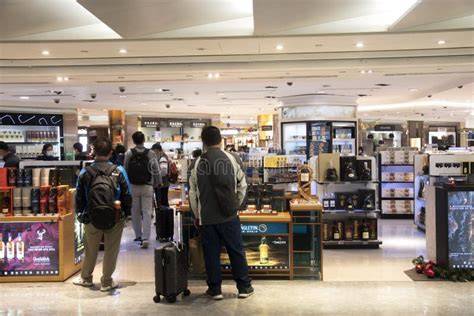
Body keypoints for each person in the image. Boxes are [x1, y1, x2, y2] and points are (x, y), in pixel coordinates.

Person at [189, 126, 253, 300]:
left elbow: (193, 193)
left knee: (211, 254)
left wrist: (197, 214)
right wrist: (236, 206)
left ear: (203, 142)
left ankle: (215, 289)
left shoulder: (196, 163)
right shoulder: (232, 158)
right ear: (221, 140)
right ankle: (244, 287)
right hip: (229, 216)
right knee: (236, 251)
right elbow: (243, 185)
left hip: (207, 218)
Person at [73, 137, 132, 291]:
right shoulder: (119, 171)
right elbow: (127, 195)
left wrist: (81, 213)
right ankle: (106, 281)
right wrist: (126, 214)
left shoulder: (85, 172)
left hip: (92, 216)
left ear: (94, 152)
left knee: (91, 248)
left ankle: (86, 278)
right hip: (115, 215)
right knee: (111, 249)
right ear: (110, 153)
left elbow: (79, 196)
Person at [124, 131, 162, 248]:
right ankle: (146, 238)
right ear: (144, 140)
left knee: (134, 212)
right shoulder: (150, 153)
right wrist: (158, 182)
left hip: (133, 186)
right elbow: (156, 169)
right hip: (147, 186)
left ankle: (138, 236)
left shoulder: (129, 153)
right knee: (147, 212)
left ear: (134, 140)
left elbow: (125, 170)